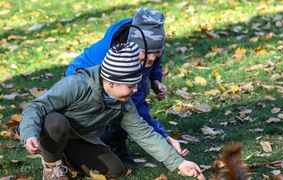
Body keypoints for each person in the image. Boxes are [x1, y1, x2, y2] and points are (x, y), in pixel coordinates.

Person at [19, 42, 204, 179]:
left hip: (81, 138)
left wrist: (179, 163)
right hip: (56, 129)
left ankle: (65, 157)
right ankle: (52, 166)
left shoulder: (124, 103)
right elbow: (37, 106)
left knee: (114, 169)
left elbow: (144, 134)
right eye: (130, 85)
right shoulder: (76, 85)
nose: (135, 90)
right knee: (54, 122)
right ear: (111, 82)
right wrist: (30, 134)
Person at [65, 8, 187, 162]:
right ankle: (86, 142)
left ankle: (116, 141)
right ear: (132, 48)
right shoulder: (120, 57)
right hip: (82, 77)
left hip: (113, 81)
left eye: (154, 57)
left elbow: (155, 63)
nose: (149, 62)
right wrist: (163, 136)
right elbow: (136, 105)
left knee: (140, 89)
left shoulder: (148, 45)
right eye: (144, 58)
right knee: (117, 104)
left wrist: (156, 79)